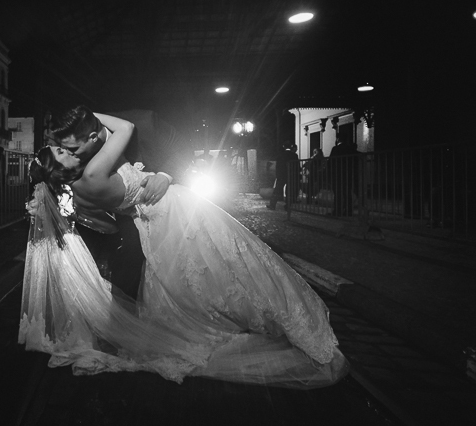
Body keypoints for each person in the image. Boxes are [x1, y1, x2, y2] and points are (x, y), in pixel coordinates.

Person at [21, 110, 349, 388]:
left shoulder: (76, 182)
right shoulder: (92, 170)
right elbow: (124, 132)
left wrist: (162, 173)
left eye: (68, 146)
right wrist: (88, 115)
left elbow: (116, 197)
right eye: (62, 151)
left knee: (217, 268)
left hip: (161, 218)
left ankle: (250, 315)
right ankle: (269, 317)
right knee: (223, 266)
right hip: (172, 212)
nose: (69, 151)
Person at [44, 106, 191, 307]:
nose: (72, 154)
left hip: (173, 208)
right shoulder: (79, 156)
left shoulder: (145, 123)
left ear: (92, 137)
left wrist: (165, 176)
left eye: (74, 149)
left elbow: (184, 149)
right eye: (65, 148)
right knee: (131, 266)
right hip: (128, 219)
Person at [268, 143, 299, 211]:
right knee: (289, 190)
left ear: (284, 147)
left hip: (282, 175)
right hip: (291, 175)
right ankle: (288, 205)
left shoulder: (281, 155)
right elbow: (296, 166)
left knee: (277, 190)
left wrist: (278, 175)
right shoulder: (294, 155)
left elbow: (278, 166)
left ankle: (272, 205)